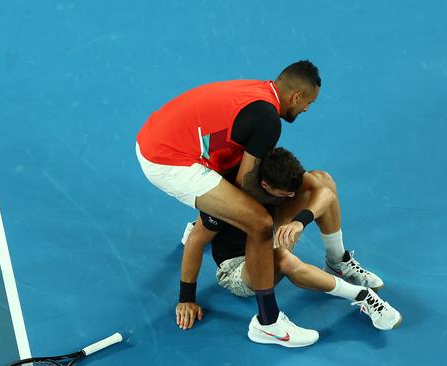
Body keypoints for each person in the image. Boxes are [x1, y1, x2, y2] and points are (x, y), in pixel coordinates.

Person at [136, 61, 321, 347]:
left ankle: (207, 221)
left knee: (238, 205)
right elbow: (247, 182)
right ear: (297, 96)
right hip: (167, 159)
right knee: (259, 222)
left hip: (154, 135)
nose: (307, 109)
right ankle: (268, 324)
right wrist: (283, 201)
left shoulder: (260, 92)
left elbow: (243, 170)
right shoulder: (268, 120)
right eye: (308, 102)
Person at [179, 147, 402, 337]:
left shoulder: (272, 167)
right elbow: (195, 242)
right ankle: (362, 296)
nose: (291, 196)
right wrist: (186, 299)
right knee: (281, 257)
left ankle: (337, 262)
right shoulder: (225, 197)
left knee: (322, 181)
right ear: (265, 185)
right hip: (238, 267)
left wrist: (299, 222)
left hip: (268, 232)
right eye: (285, 194)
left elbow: (325, 193)